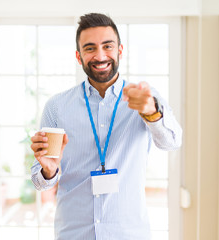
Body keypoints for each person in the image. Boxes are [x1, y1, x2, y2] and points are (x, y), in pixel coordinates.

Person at [30, 13, 182, 240]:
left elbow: (172, 143)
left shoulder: (145, 98)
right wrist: (49, 170)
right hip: (74, 233)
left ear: (120, 50)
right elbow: (40, 182)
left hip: (128, 233)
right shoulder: (57, 107)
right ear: (78, 56)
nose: (100, 55)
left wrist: (152, 113)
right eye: (90, 48)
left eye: (107, 46)